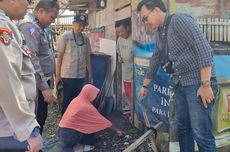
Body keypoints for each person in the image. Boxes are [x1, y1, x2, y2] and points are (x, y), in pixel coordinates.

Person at [137, 0, 218, 152]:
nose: (145, 23)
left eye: (145, 18)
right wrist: (145, 85)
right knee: (183, 129)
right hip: (179, 84)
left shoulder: (179, 20)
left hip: (197, 83)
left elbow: (204, 49)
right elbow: (155, 58)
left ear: (156, 10)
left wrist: (205, 85)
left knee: (201, 134)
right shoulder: (161, 32)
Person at [0, 0, 43, 151]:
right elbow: (6, 80)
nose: (29, 5)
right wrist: (29, 128)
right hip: (10, 128)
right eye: (28, 0)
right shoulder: (3, 26)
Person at [18, 0, 60, 134]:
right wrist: (44, 87)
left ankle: (37, 144)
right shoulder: (29, 27)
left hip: (40, 81)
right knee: (36, 117)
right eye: (52, 17)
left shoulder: (38, 27)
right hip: (36, 83)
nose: (52, 21)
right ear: (41, 11)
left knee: (41, 116)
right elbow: (32, 59)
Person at [55, 13, 93, 115]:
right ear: (73, 23)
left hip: (80, 76)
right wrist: (57, 75)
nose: (81, 27)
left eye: (83, 25)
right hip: (67, 75)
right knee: (67, 101)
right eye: (79, 24)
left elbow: (87, 57)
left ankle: (75, 123)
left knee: (78, 101)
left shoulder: (86, 39)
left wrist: (90, 74)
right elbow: (60, 56)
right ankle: (64, 124)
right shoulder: (65, 37)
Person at [58, 84, 112, 152]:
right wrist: (117, 130)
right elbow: (103, 121)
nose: (95, 97)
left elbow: (93, 115)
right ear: (89, 94)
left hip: (61, 132)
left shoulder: (76, 100)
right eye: (95, 95)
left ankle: (72, 145)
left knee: (89, 126)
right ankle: (72, 148)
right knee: (91, 132)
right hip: (69, 136)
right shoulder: (86, 106)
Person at [115, 19, 133, 113]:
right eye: (118, 32)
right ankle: (131, 111)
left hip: (135, 73)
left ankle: (135, 113)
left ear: (128, 28)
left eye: (122, 31)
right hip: (126, 72)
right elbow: (118, 52)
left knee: (136, 95)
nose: (120, 34)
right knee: (128, 93)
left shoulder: (133, 38)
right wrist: (119, 57)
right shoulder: (119, 40)